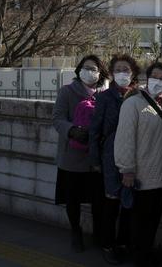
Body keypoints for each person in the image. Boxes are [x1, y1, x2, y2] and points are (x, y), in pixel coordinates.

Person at [114, 61, 162, 267]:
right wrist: (127, 169)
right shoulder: (132, 103)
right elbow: (124, 139)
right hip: (139, 175)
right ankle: (139, 256)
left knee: (153, 220)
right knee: (138, 221)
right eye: (154, 76)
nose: (157, 80)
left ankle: (146, 252)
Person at [53, 54, 109, 253]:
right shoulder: (67, 91)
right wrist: (72, 130)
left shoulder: (105, 93)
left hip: (97, 156)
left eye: (94, 68)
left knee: (98, 199)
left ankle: (98, 234)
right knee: (73, 198)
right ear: (78, 70)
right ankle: (75, 231)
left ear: (101, 72)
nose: (90, 71)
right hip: (72, 155)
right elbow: (57, 118)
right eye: (86, 67)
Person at [89, 54, 140, 264]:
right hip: (110, 157)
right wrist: (95, 160)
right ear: (111, 73)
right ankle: (107, 244)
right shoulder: (103, 98)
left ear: (133, 73)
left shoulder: (139, 96)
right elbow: (95, 132)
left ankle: (124, 243)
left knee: (129, 203)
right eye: (118, 69)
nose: (122, 73)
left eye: (126, 70)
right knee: (110, 203)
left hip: (135, 156)